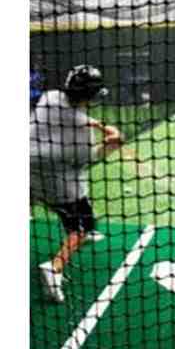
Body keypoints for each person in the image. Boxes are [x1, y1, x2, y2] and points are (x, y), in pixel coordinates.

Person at [30, 64, 123, 303]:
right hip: (57, 182)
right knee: (82, 225)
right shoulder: (81, 137)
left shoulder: (50, 97)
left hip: (28, 169)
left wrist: (98, 125)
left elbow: (72, 115)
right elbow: (89, 158)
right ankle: (54, 268)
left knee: (42, 201)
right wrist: (112, 144)